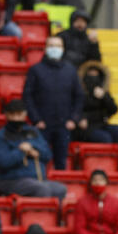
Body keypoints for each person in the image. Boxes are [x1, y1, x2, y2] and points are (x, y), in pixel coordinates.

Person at [23, 36, 84, 170]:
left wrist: (74, 119)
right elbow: (27, 96)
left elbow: (79, 96)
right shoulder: (36, 70)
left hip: (64, 125)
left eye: (57, 46)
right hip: (42, 125)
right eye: (51, 45)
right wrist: (36, 119)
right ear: (45, 48)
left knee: (61, 161)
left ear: (62, 49)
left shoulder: (70, 70)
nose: (54, 49)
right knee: (40, 160)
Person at [0, 99, 67, 200]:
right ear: (7, 115)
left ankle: (52, 215)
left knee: (60, 189)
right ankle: (40, 216)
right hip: (11, 180)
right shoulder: (1, 136)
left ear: (25, 115)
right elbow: (3, 162)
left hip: (37, 179)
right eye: (12, 115)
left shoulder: (33, 132)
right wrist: (21, 151)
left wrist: (33, 148)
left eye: (19, 114)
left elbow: (48, 155)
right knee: (41, 189)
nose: (16, 118)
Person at [73, 62, 118, 145]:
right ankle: (105, 157)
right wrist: (80, 118)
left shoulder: (102, 91)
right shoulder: (79, 92)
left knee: (117, 130)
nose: (93, 78)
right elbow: (74, 108)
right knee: (105, 138)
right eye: (90, 75)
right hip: (85, 127)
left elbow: (114, 109)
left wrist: (104, 97)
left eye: (96, 75)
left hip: (100, 124)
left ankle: (115, 157)